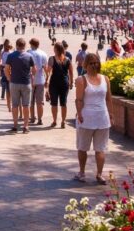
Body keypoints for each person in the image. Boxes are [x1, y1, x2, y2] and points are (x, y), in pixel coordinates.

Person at [74, 53, 112, 184]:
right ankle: (90, 173)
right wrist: (79, 114)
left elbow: (108, 99)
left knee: (91, 148)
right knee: (91, 148)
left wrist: (111, 114)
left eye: (94, 63)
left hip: (94, 117)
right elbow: (79, 99)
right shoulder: (86, 80)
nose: (94, 65)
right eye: (92, 63)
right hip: (94, 117)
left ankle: (91, 173)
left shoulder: (100, 79)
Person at [4, 38, 35, 133]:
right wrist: (31, 76)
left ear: (16, 45)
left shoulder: (11, 55)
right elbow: (34, 69)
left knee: (15, 105)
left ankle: (15, 126)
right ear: (24, 46)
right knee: (26, 105)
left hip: (14, 82)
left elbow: (6, 69)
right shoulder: (29, 56)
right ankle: (25, 126)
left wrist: (9, 78)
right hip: (26, 82)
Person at [46, 41, 74, 128]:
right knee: (63, 103)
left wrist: (47, 79)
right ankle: (63, 121)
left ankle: (54, 121)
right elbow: (71, 72)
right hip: (64, 82)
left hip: (54, 83)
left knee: (54, 103)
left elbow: (48, 71)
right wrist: (71, 82)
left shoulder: (52, 59)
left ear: (56, 49)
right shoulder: (67, 59)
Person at [28, 37, 49, 126]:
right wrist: (47, 78)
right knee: (39, 102)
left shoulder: (28, 53)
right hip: (40, 79)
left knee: (31, 101)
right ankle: (40, 119)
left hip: (30, 79)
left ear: (31, 44)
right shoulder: (43, 54)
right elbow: (46, 69)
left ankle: (32, 118)